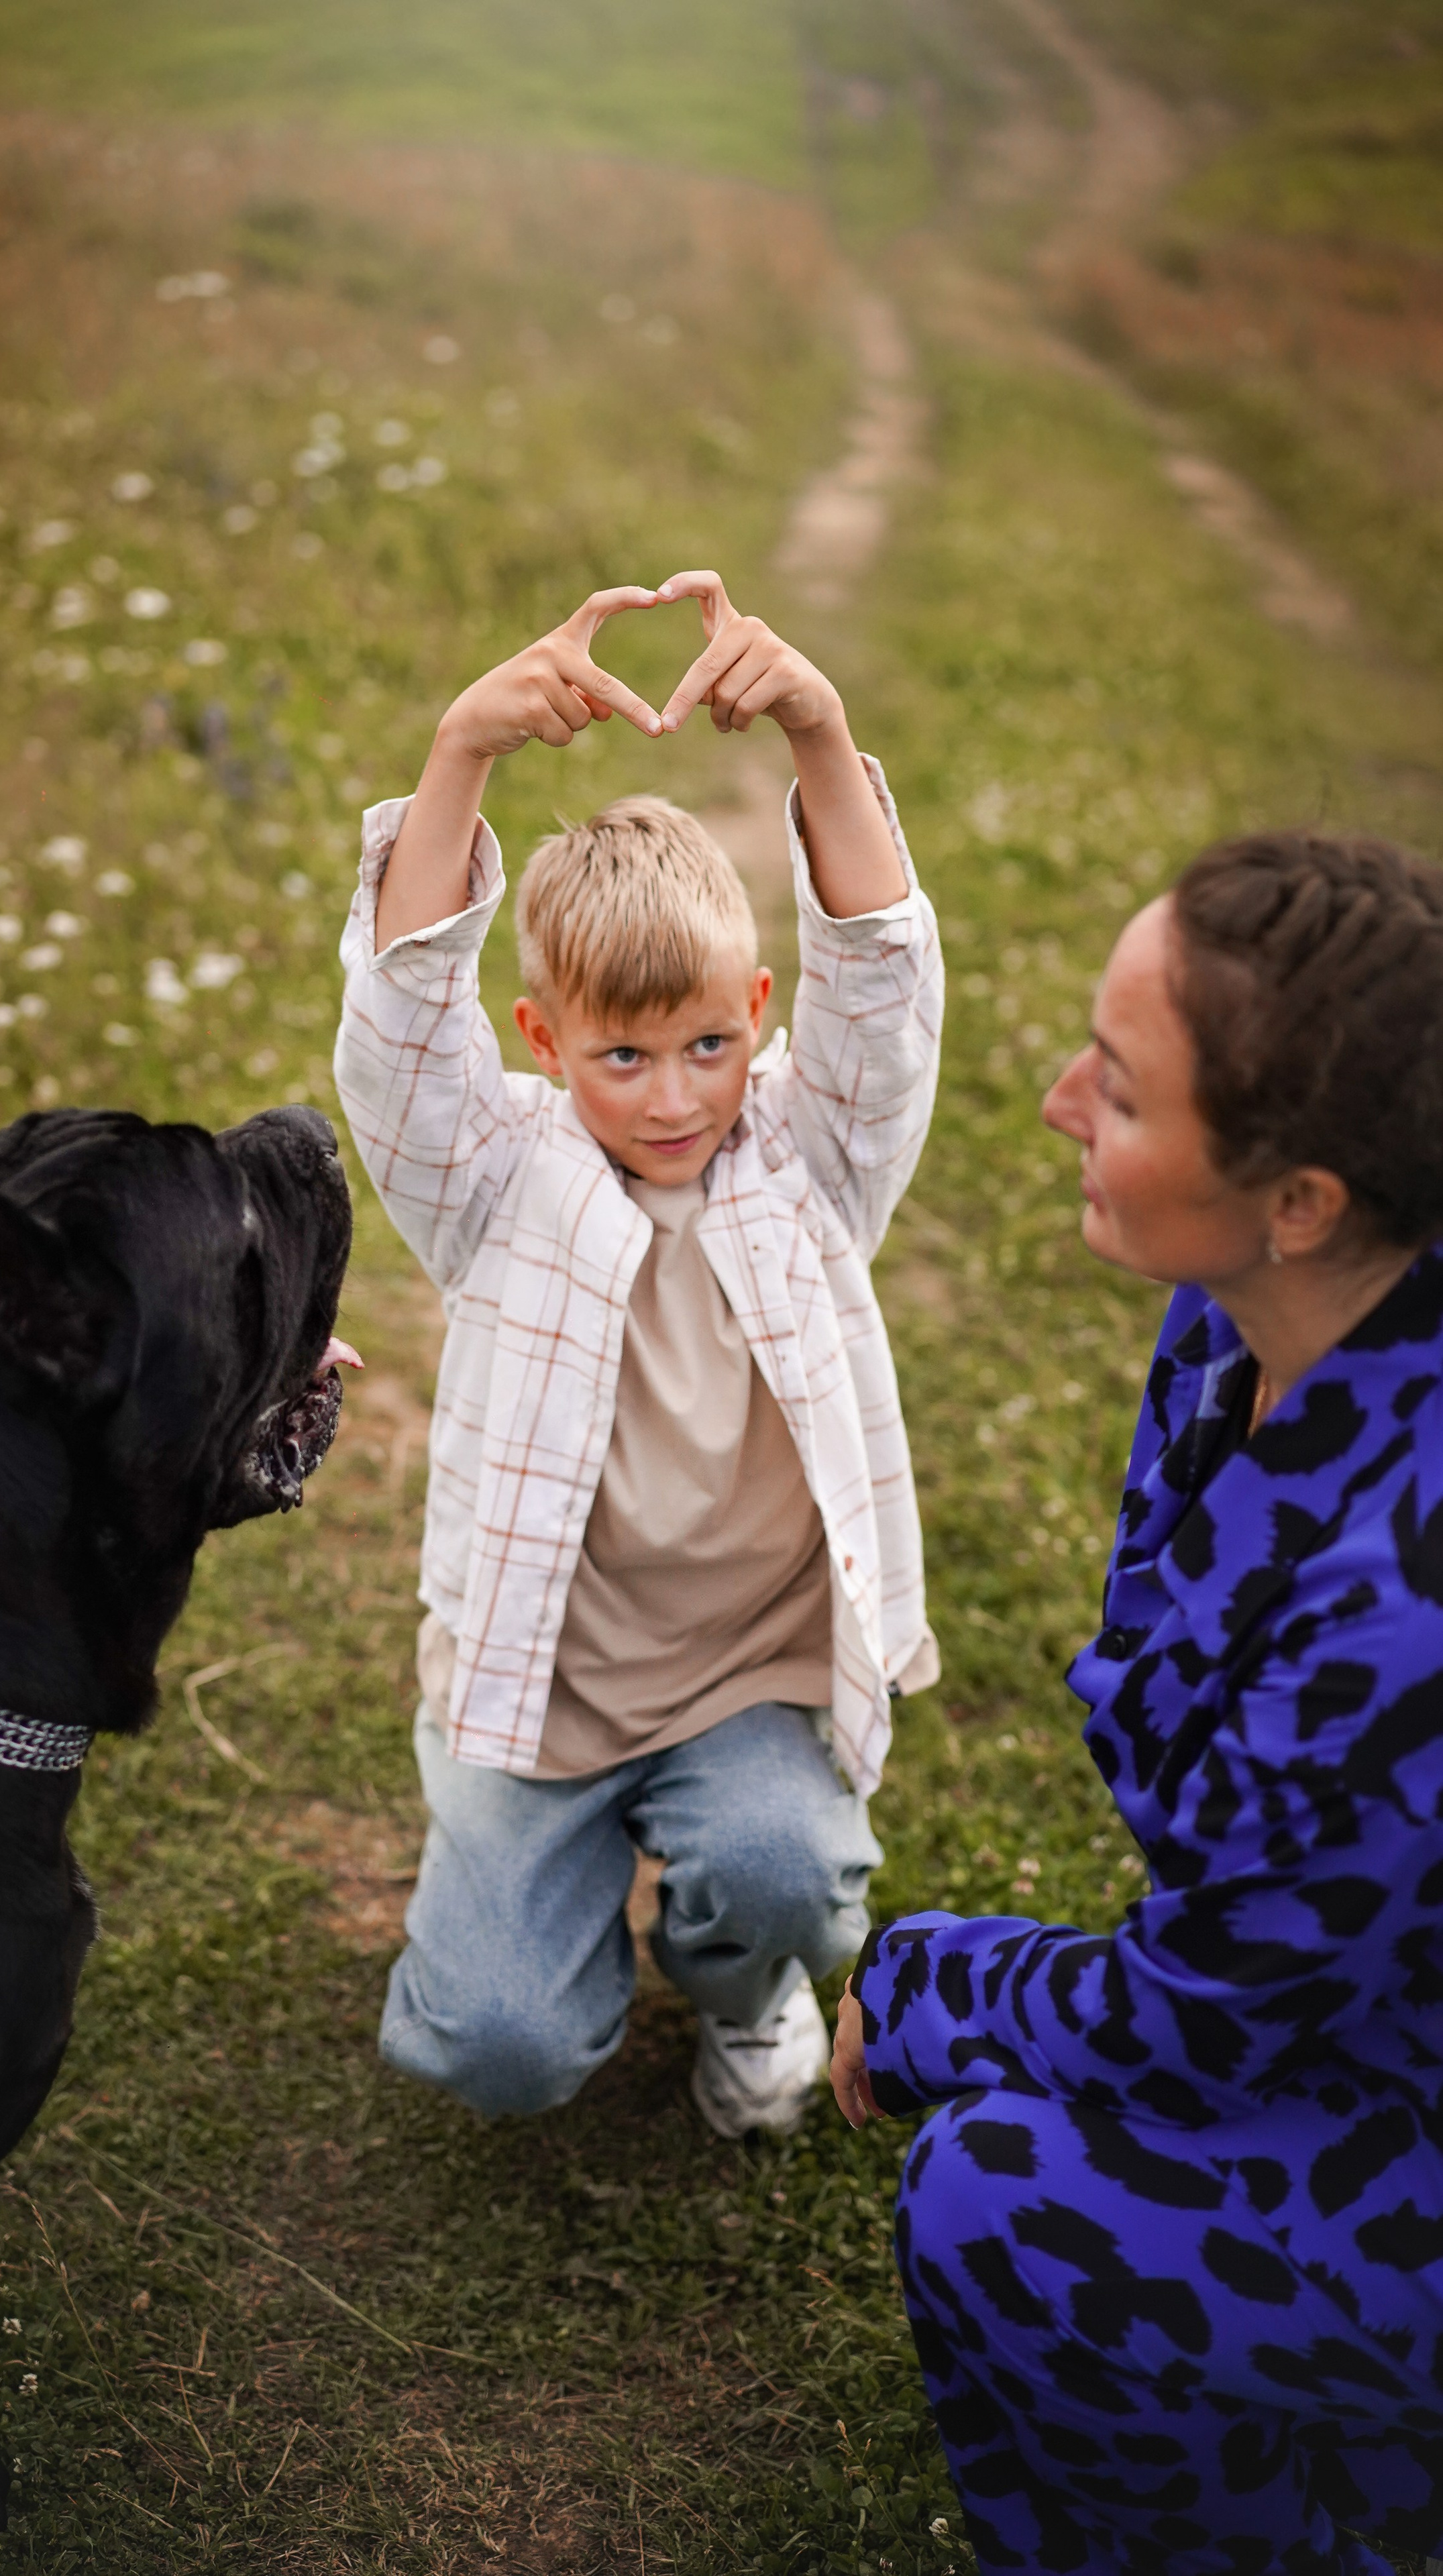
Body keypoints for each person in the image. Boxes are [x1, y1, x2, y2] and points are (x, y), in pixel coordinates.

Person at [831, 829, 1443, 2571]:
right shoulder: (1247, 1312)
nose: (1050, 1104)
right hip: (1350, 2011)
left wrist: (932, 1978)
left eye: (1117, 1088)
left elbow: (1206, 2014)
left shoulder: (1403, 1606)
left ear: (1303, 1196)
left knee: (997, 2202)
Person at [334, 570, 943, 2136]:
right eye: (619, 1055)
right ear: (543, 1042)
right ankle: (539, 1902)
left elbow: (879, 982)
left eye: (705, 1047)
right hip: (542, 1682)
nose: (672, 1096)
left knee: (785, 1879)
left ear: (753, 1013)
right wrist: (461, 748)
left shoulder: (806, 1161)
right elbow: (402, 1032)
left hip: (744, 1670)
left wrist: (816, 724)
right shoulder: (496, 1180)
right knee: (501, 2053)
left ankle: (742, 1985)